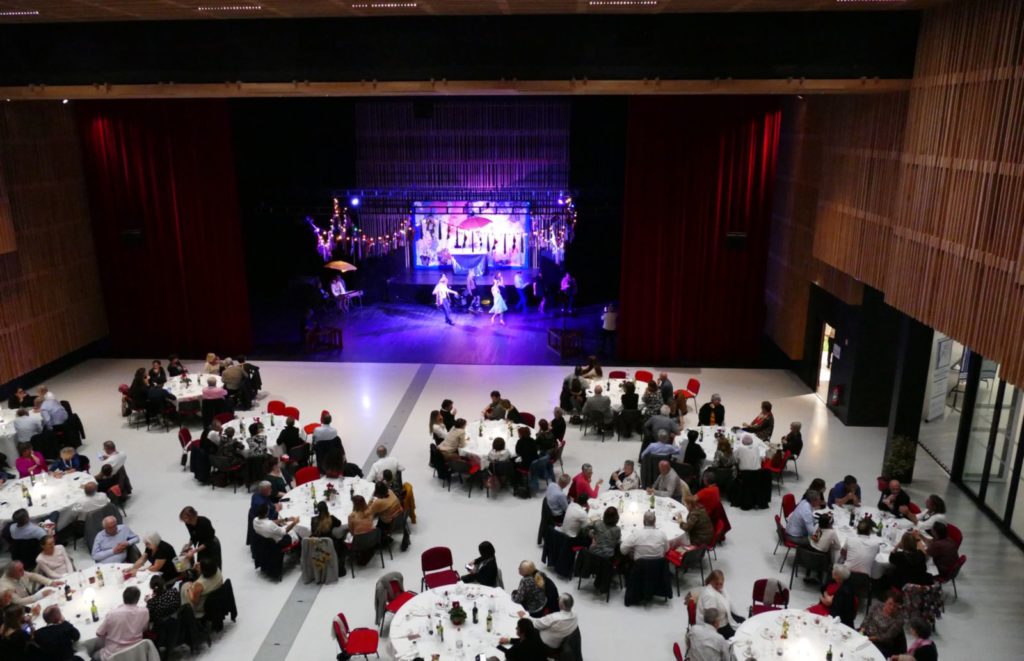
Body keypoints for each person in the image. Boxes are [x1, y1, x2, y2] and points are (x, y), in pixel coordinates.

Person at [95, 586, 149, 660]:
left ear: (123, 598)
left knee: (94, 654)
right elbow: (144, 628)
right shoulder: (145, 612)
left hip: (113, 656)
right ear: (137, 599)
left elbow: (99, 633)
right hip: (136, 653)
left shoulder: (112, 614)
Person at [697, 571, 744, 639]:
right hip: (717, 625)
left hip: (724, 617)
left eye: (721, 584)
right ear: (711, 581)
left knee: (743, 621)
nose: (719, 586)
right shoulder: (709, 596)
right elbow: (711, 620)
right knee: (739, 636)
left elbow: (729, 603)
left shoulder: (720, 589)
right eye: (716, 584)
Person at [859, 593, 906, 658]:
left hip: (881, 644)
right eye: (890, 603)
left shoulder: (899, 620)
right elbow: (867, 619)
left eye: (895, 606)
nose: (892, 607)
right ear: (885, 601)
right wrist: (861, 631)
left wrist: (868, 639)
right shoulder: (877, 606)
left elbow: (886, 637)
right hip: (866, 634)